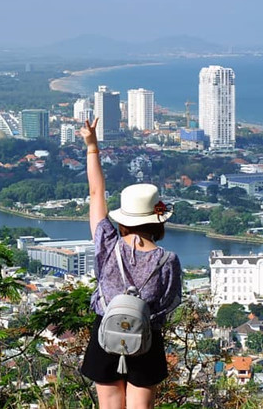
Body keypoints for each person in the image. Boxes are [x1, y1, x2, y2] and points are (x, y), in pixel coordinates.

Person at [78, 118, 183, 409]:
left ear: (123, 220)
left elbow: (96, 193)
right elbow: (168, 305)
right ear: (156, 220)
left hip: (106, 332)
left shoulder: (107, 244)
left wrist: (92, 146)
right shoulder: (167, 261)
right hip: (146, 338)